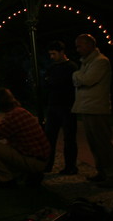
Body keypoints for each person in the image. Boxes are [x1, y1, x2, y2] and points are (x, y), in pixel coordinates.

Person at [71, 34, 113, 188]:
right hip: (87, 107)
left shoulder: (100, 61)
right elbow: (82, 80)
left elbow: (87, 80)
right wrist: (79, 77)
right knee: (94, 143)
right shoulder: (87, 63)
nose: (77, 49)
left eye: (80, 46)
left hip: (96, 108)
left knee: (103, 143)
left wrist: (76, 75)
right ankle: (103, 172)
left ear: (89, 45)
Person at [0, 88, 50, 188]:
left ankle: (6, 179)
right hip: (41, 158)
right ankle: (24, 174)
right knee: (5, 145)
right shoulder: (20, 111)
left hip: (34, 161)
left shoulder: (13, 116)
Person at [43, 40, 79, 175]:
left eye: (54, 54)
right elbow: (47, 83)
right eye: (50, 54)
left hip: (67, 106)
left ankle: (70, 166)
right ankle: (47, 164)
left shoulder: (71, 67)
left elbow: (68, 85)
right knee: (49, 137)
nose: (52, 57)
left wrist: (52, 83)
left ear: (62, 52)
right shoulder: (52, 67)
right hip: (53, 105)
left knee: (69, 138)